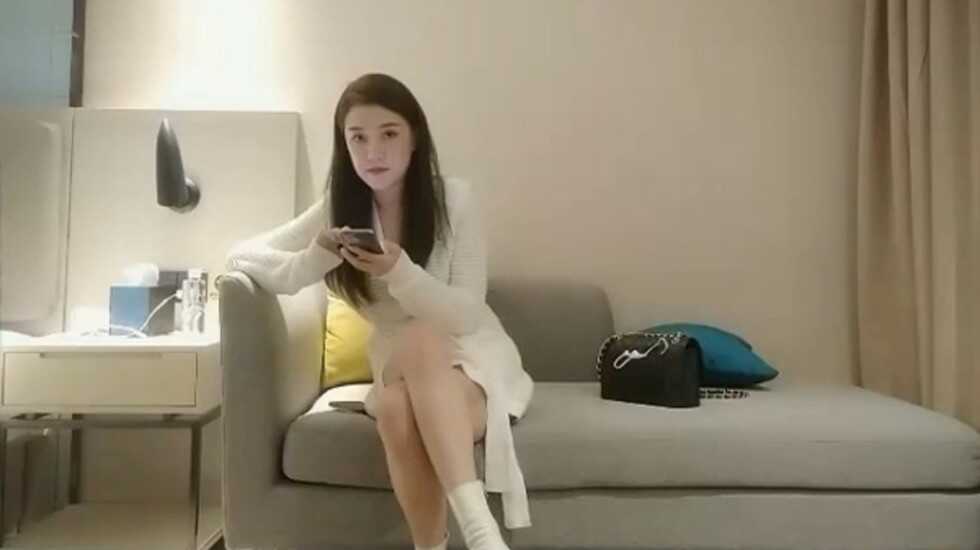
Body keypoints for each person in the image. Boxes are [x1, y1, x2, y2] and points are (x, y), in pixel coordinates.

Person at [225, 73, 534, 550]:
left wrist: (401, 273)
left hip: (471, 360)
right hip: (396, 365)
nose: (374, 152)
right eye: (358, 138)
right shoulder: (340, 208)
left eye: (389, 134)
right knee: (401, 376)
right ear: (344, 145)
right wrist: (315, 258)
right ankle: (471, 540)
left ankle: (473, 535)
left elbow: (467, 315)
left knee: (409, 366)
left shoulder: (454, 200)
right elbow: (241, 255)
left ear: (414, 139)